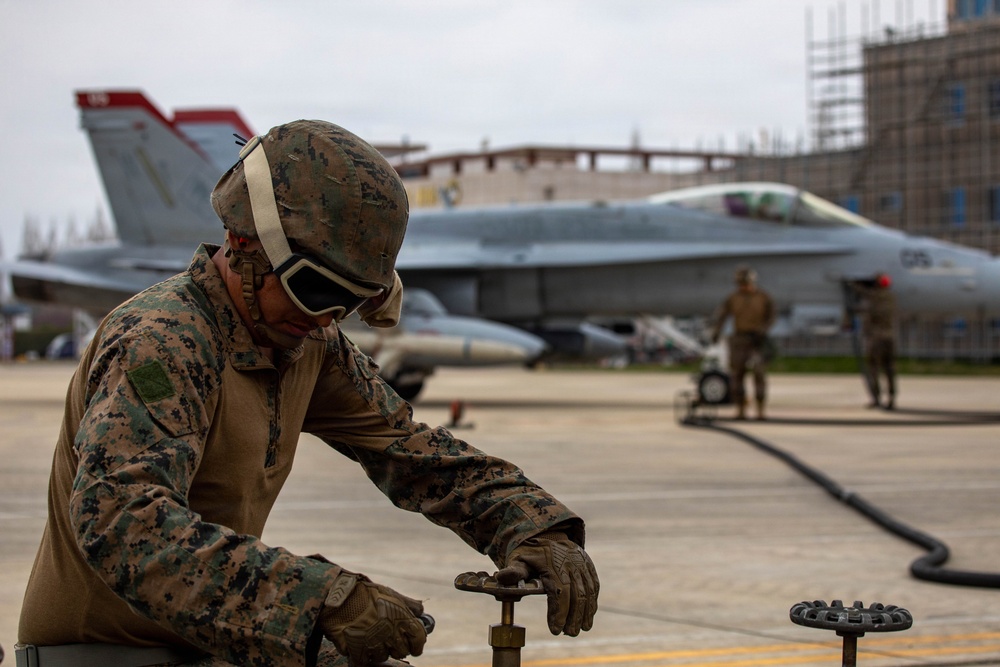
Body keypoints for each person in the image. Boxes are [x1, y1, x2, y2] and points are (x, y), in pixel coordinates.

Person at [17, 121, 598, 667]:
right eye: (314, 287)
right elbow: (124, 524)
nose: (327, 318)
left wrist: (530, 522)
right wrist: (324, 600)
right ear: (242, 242)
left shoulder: (304, 341)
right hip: (106, 657)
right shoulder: (162, 341)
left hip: (211, 647)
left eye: (352, 302)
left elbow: (410, 447)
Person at [709, 267, 776, 420]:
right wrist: (716, 332)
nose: (743, 286)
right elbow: (722, 316)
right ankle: (741, 410)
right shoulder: (733, 298)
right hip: (739, 340)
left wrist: (763, 330)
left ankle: (760, 410)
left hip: (758, 340)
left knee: (759, 373)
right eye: (741, 283)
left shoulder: (764, 297)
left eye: (746, 282)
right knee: (737, 375)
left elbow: (771, 316)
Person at [854, 272, 897, 409]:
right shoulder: (891, 297)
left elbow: (860, 291)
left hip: (876, 339)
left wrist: (852, 282)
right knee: (889, 369)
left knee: (873, 369)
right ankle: (891, 398)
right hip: (889, 337)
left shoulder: (874, 296)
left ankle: (876, 398)